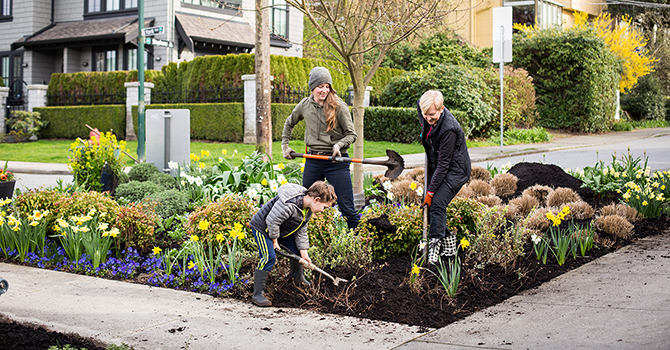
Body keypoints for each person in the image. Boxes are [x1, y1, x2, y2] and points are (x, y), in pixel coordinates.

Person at [281, 66, 360, 230]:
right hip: (313, 160)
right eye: (320, 86)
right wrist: (285, 146)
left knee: (346, 207)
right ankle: (301, 238)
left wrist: (338, 145)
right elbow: (289, 122)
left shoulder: (339, 107)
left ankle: (357, 242)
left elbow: (352, 134)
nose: (324, 90)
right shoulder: (305, 105)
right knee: (304, 203)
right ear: (312, 88)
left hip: (336, 162)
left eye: (327, 86)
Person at [249, 181, 337, 307]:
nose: (323, 211)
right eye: (325, 207)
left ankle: (298, 279)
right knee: (269, 257)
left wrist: (304, 253)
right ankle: (258, 294)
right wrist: (275, 241)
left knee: (296, 249)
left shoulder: (307, 209)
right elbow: (272, 221)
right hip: (263, 228)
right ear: (316, 200)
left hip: (280, 229)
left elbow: (301, 230)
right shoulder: (289, 204)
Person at [418, 90, 471, 264]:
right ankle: (449, 244)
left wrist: (431, 192)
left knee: (437, 204)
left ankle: (434, 248)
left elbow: (444, 165)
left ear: (442, 109)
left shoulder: (449, 130)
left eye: (432, 115)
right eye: (425, 114)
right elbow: (421, 105)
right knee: (434, 206)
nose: (428, 118)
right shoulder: (426, 112)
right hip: (439, 166)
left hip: (455, 171)